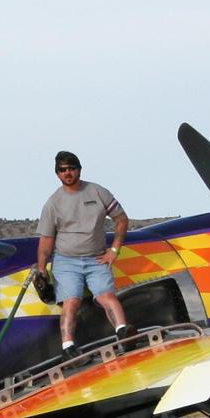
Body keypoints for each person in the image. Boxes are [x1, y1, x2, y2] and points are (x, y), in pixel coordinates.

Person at [33, 150, 132, 358]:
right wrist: (41, 269)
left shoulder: (97, 192)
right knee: (71, 301)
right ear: (57, 173)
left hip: (97, 257)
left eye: (71, 168)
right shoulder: (53, 203)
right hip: (66, 260)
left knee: (106, 296)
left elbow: (121, 219)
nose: (67, 173)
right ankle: (68, 346)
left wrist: (114, 249)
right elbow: (45, 241)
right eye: (62, 170)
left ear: (79, 169)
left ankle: (123, 332)